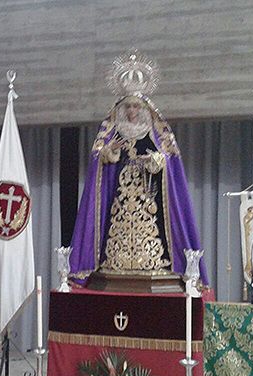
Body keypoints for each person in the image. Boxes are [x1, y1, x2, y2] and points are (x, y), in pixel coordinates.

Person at [68, 90, 209, 286]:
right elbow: (99, 159)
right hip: (121, 191)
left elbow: (169, 160)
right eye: (128, 106)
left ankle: (153, 260)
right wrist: (111, 150)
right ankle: (116, 259)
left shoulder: (153, 131)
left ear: (143, 109)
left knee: (151, 224)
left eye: (136, 106)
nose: (132, 110)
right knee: (117, 223)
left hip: (147, 192)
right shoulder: (114, 131)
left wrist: (154, 159)